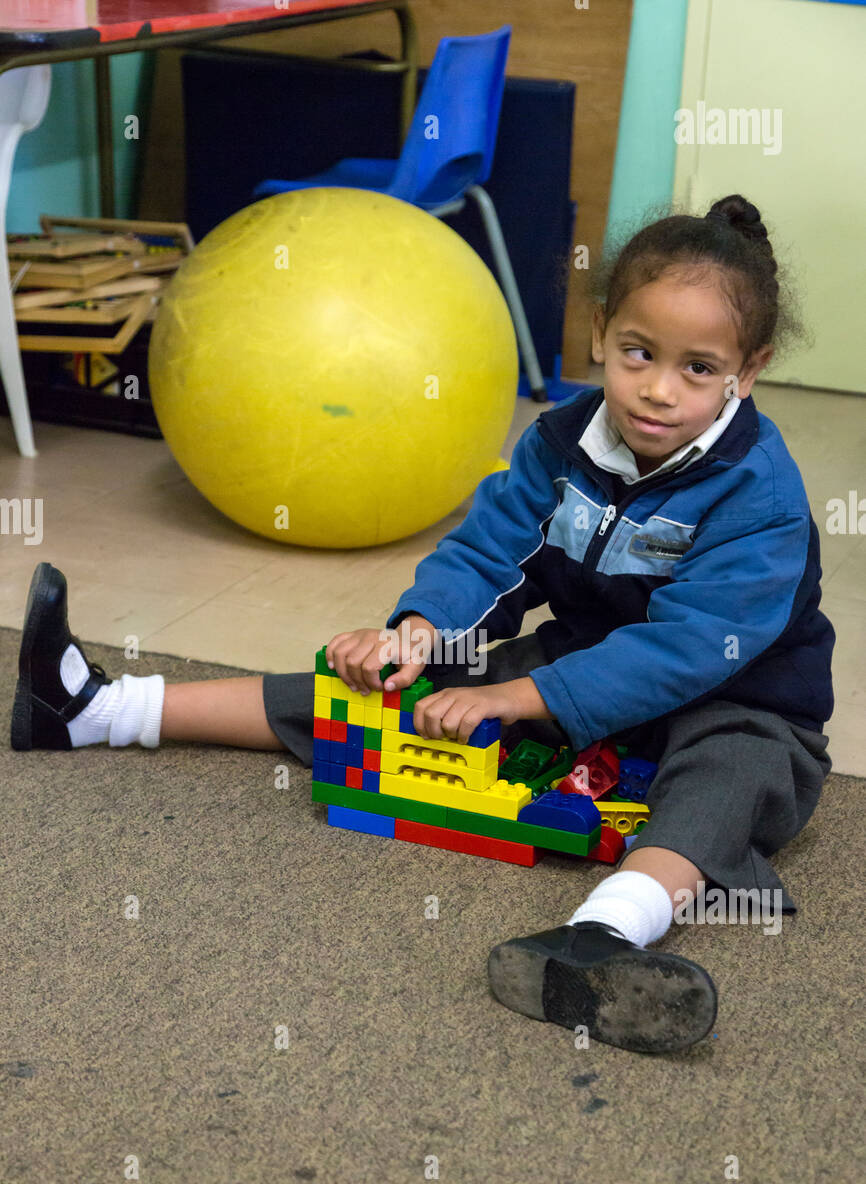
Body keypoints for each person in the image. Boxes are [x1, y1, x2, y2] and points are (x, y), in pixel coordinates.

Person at [11, 193, 834, 1056]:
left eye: (698, 369)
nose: (658, 390)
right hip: (580, 664)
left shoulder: (760, 494)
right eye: (638, 353)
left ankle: (604, 937)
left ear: (750, 368)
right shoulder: (558, 444)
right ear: (599, 333)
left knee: (729, 770)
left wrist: (523, 695)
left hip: (743, 697)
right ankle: (100, 708)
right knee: (395, 691)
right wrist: (415, 633)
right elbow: (487, 556)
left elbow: (692, 648)